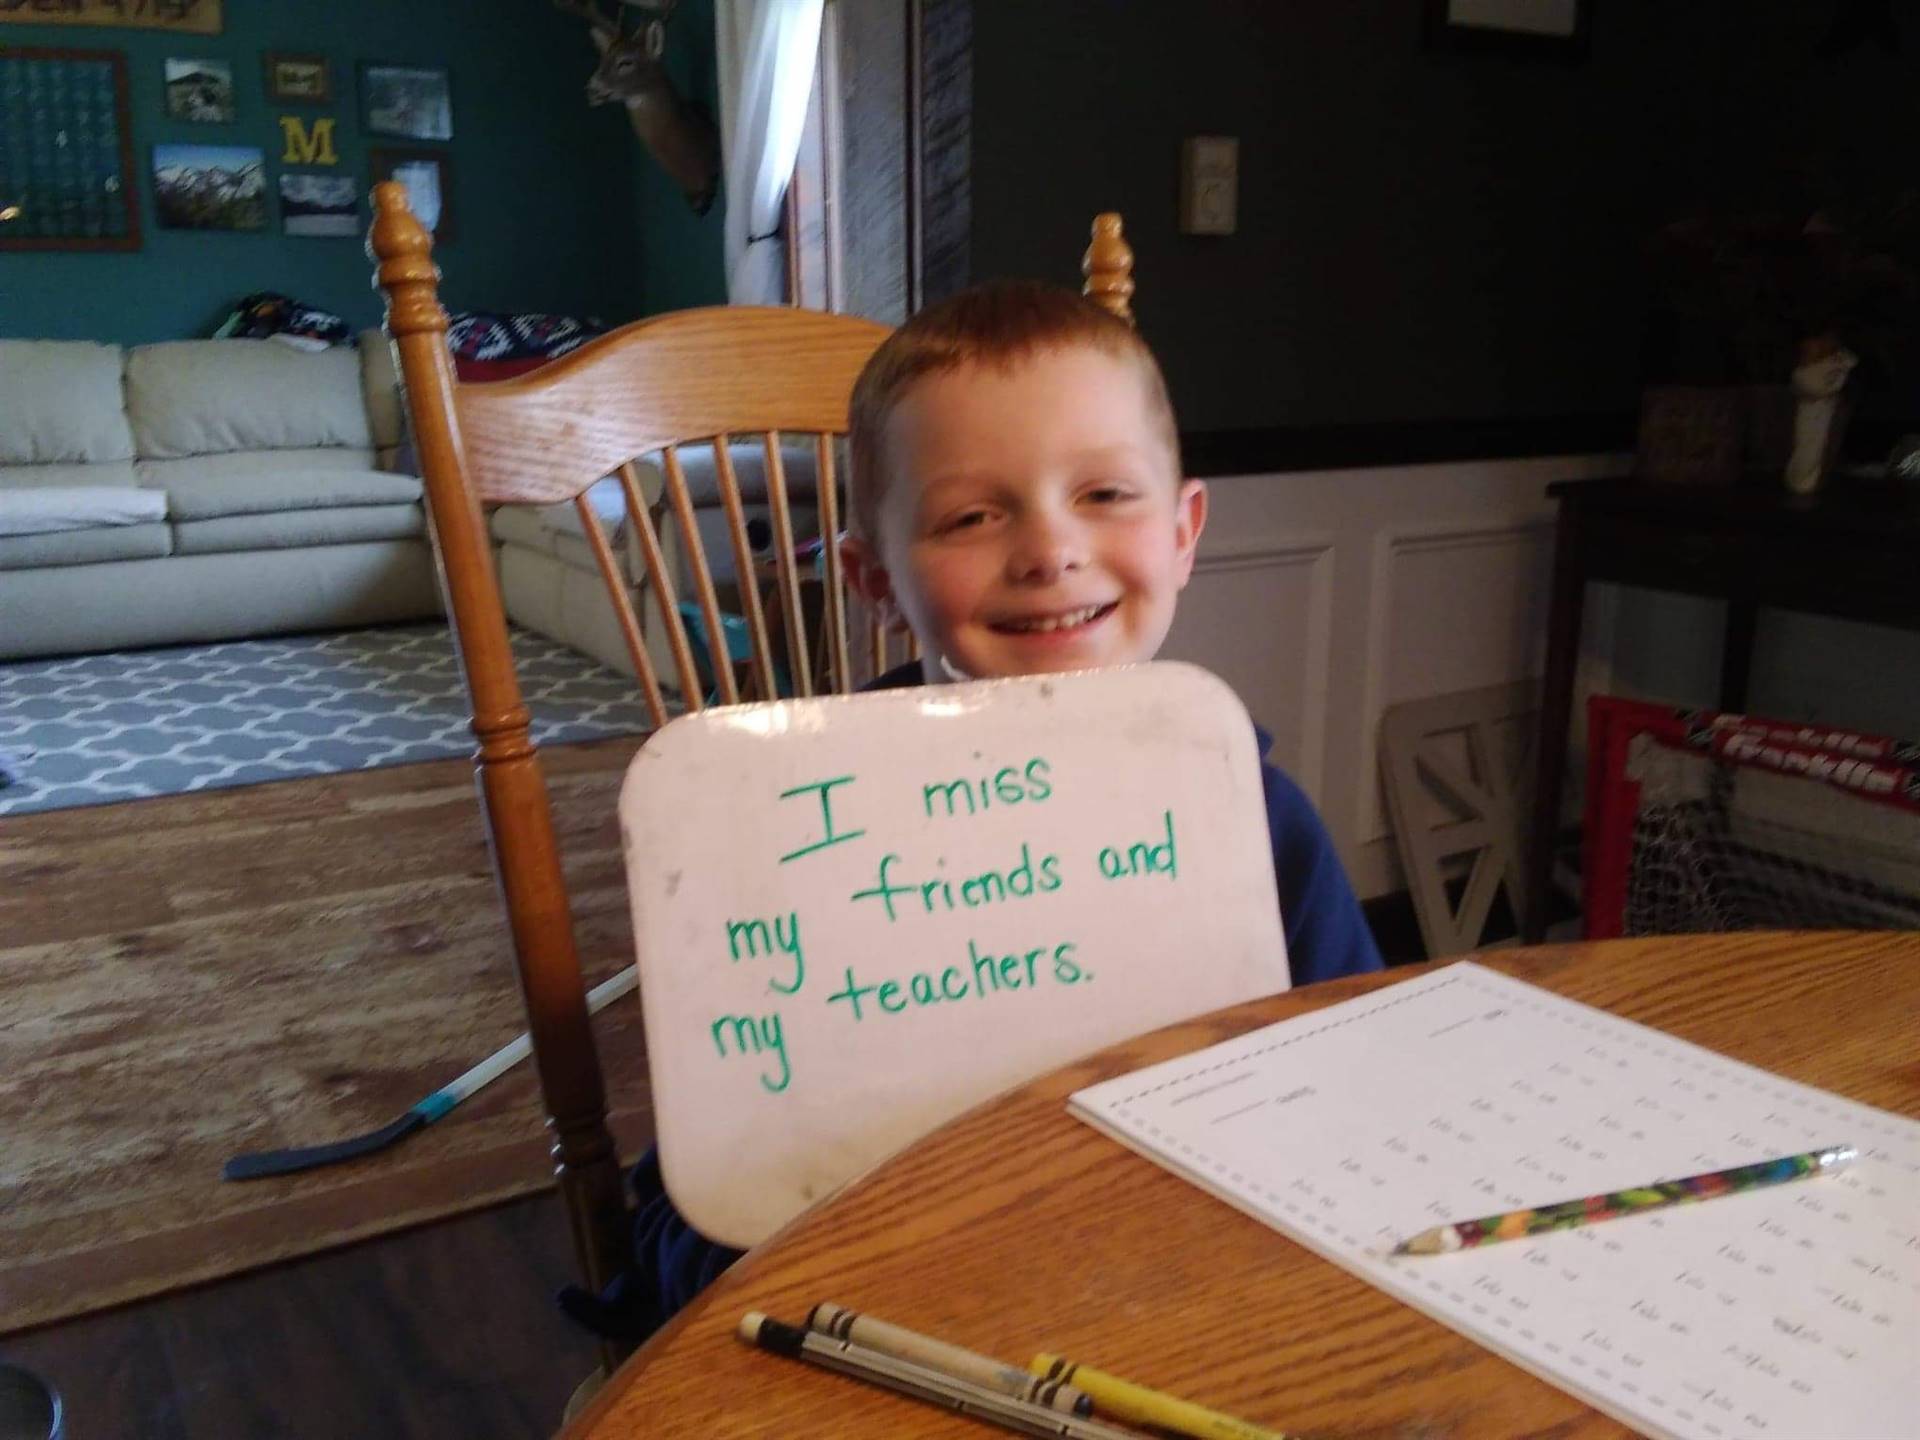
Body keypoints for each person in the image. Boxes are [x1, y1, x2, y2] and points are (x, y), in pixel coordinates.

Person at [559, 280, 1382, 1344]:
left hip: (1179, 1296)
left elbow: (1362, 1090)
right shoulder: (784, 840)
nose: (1048, 551)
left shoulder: (1255, 816)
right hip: (885, 1306)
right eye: (971, 516)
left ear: (1184, 533)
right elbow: (707, 1203)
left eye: (1105, 495)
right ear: (872, 575)